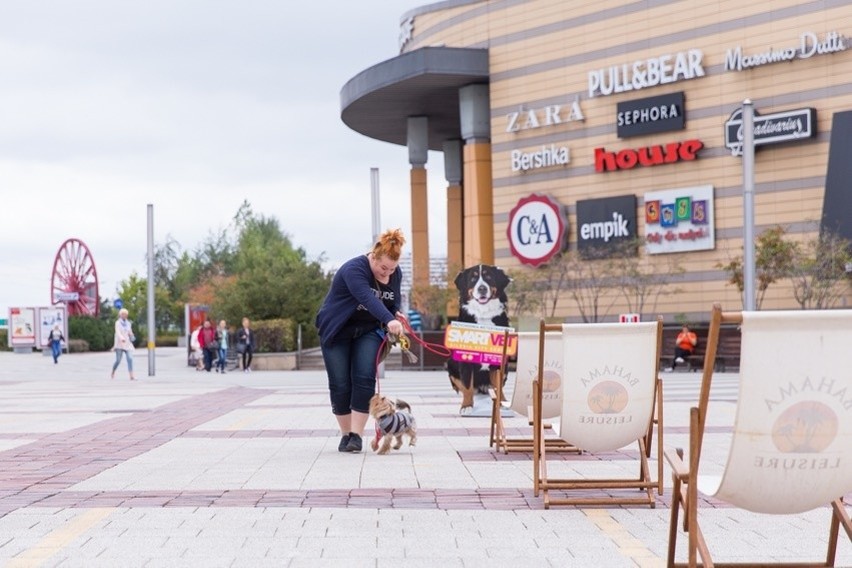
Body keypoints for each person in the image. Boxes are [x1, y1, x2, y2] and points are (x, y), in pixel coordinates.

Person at [315, 228, 407, 453]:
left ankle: (356, 435)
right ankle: (345, 434)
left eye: (392, 269)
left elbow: (391, 301)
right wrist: (387, 317)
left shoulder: (395, 273)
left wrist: (395, 315)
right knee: (340, 383)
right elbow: (366, 297)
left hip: (368, 330)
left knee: (364, 376)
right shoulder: (353, 269)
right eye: (383, 268)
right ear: (373, 257)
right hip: (337, 329)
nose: (387, 274)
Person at [111, 308, 136, 380]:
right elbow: (118, 332)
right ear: (120, 315)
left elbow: (130, 331)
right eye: (123, 314)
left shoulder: (128, 323)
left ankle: (131, 375)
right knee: (118, 360)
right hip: (119, 344)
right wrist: (122, 338)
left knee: (130, 358)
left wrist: (131, 335)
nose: (124, 315)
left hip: (127, 344)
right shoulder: (117, 323)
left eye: (126, 314)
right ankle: (113, 371)